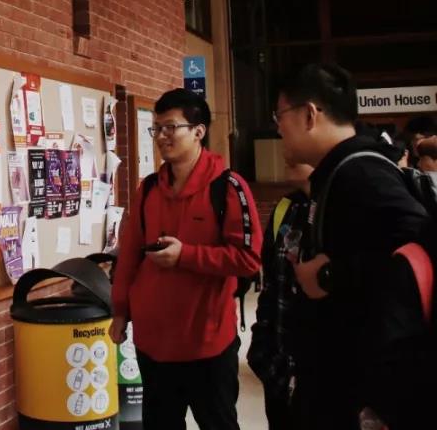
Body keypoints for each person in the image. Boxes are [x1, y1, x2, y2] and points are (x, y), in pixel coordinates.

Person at [274, 63, 434, 429]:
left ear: (310, 114)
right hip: (338, 378)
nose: (278, 127)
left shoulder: (361, 173)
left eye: (280, 115)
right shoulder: (338, 172)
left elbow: (418, 248)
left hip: (355, 388)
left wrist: (331, 275)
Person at [110, 88, 261, 430]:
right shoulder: (149, 188)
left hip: (207, 343)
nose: (161, 136)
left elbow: (248, 259)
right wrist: (120, 310)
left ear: (198, 131)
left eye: (171, 127)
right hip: (153, 343)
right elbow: (130, 254)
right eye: (157, 128)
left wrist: (186, 255)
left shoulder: (228, 187)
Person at [247, 161, 312, 430]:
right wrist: (262, 349)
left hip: (324, 376)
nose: (287, 153)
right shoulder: (286, 206)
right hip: (280, 370)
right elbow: (270, 283)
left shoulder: (349, 208)